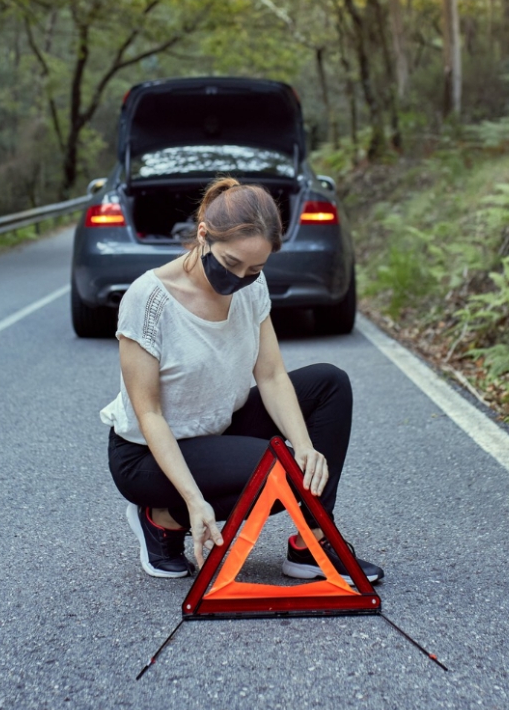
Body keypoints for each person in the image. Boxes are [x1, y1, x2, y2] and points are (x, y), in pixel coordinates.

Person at [103, 176, 382, 584]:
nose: (240, 277)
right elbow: (149, 413)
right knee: (278, 471)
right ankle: (162, 519)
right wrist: (195, 503)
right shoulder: (149, 300)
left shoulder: (252, 286)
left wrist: (305, 445)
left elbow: (270, 375)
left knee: (329, 384)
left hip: (217, 426)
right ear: (203, 235)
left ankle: (313, 540)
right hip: (147, 454)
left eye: (255, 269)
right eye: (231, 264)